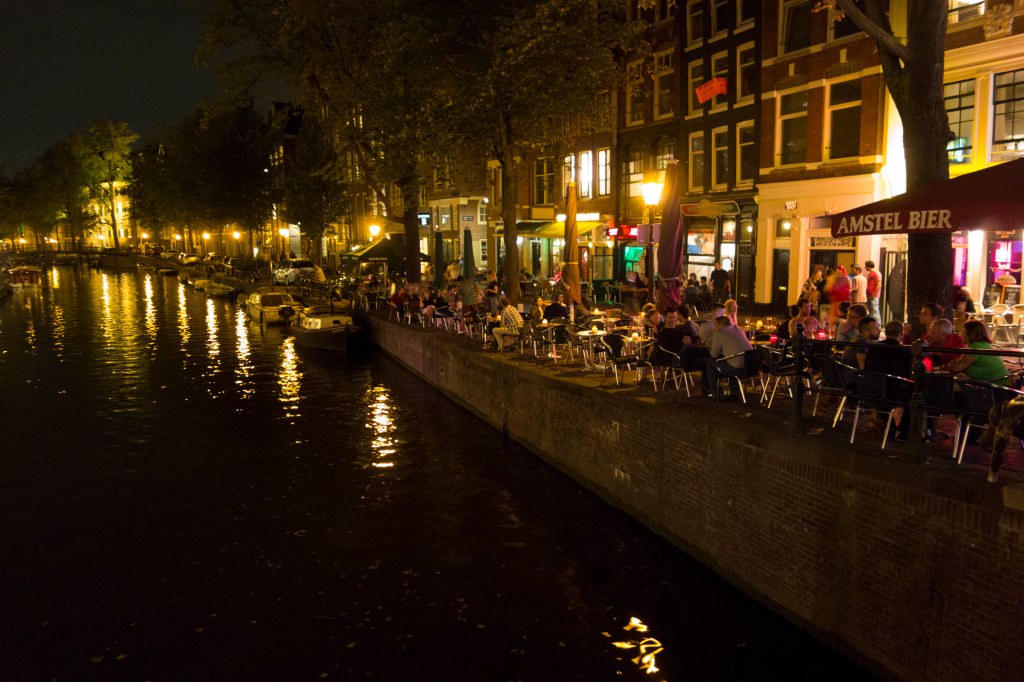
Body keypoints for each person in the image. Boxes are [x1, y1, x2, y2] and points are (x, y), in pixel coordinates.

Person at [702, 315, 754, 397]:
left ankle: (717, 394)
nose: (714, 328)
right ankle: (735, 392)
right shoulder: (738, 329)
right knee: (732, 360)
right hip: (752, 366)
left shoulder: (719, 333)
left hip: (738, 368)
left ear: (720, 325)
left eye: (715, 325)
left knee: (710, 362)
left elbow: (714, 354)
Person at [946, 320, 1007, 384]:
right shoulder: (983, 344)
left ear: (970, 334)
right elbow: (961, 362)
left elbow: (956, 368)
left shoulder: (976, 346)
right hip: (994, 384)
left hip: (995, 388)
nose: (961, 335)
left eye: (963, 332)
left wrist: (951, 364)